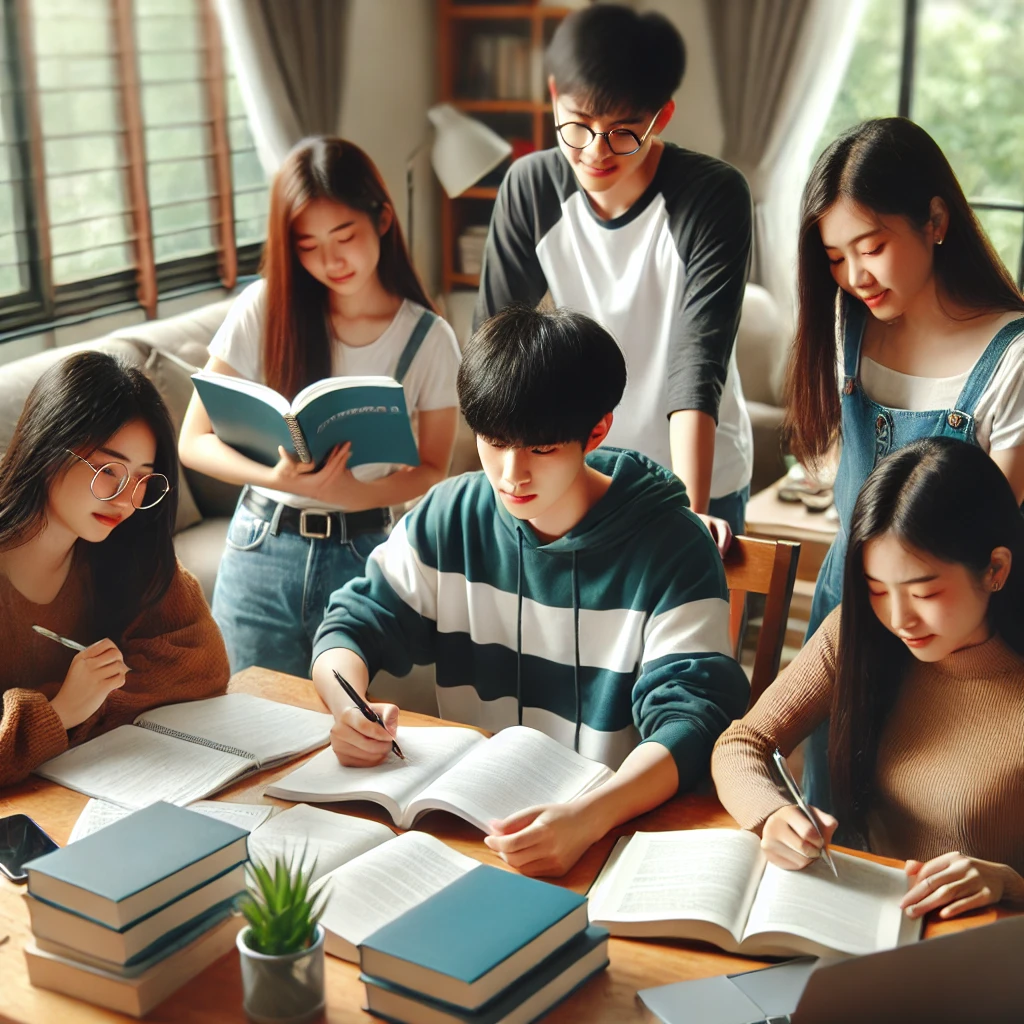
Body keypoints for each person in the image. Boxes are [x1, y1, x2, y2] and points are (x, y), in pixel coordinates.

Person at [310, 305, 749, 878]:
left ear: (596, 431)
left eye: (540, 450)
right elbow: (352, 623)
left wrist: (590, 817)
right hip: (470, 828)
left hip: (616, 834)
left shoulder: (673, 546)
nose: (511, 474)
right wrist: (349, 709)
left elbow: (693, 719)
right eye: (494, 442)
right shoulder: (451, 514)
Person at [786, 117, 1024, 809]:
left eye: (872, 247)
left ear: (936, 222)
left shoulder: (1011, 357)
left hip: (945, 623)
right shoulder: (847, 323)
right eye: (836, 257)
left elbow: (992, 526)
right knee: (827, 804)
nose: (854, 276)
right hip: (847, 606)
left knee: (928, 813)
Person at [474, 4, 753, 554]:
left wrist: (689, 517)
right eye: (577, 124)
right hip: (578, 473)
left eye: (623, 131)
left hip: (698, 470)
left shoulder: (713, 196)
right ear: (554, 94)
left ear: (661, 116)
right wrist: (505, 482)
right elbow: (494, 348)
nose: (595, 152)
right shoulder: (530, 188)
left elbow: (697, 364)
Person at [179, 137, 461, 678]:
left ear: (382, 219)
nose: (330, 261)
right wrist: (275, 477)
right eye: (307, 246)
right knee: (248, 714)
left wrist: (354, 492)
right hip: (261, 545)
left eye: (344, 236)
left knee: (351, 720)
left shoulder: (429, 339)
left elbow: (432, 468)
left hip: (361, 552)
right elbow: (192, 442)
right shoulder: (265, 308)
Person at [712, 437, 1024, 920]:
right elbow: (741, 743)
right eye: (877, 590)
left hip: (975, 944)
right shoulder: (858, 635)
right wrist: (771, 814)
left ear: (995, 569)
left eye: (923, 593)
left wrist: (1009, 884)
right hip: (858, 916)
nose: (899, 619)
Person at [0, 352, 229, 788]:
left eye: (143, 478)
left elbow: (202, 665)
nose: (127, 500)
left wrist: (86, 706)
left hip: (81, 786)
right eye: (108, 470)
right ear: (48, 447)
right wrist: (59, 712)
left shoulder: (126, 546)